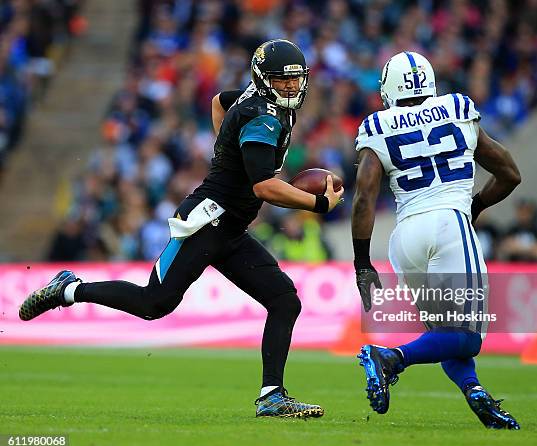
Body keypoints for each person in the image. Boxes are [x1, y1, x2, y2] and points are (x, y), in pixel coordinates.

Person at [20, 39, 344, 418]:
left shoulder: (255, 100)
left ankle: (272, 395)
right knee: (153, 303)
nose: (290, 87)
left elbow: (220, 101)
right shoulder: (264, 116)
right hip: (207, 221)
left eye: (294, 80)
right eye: (281, 80)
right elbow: (264, 187)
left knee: (284, 300)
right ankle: (69, 289)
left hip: (231, 228)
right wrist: (318, 204)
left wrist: (225, 147)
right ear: (263, 78)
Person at [351, 51, 521, 429]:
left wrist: (362, 263)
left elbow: (364, 196)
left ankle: (474, 390)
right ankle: (390, 357)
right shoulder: (458, 107)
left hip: (405, 236)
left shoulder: (377, 124)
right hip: (448, 224)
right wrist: (473, 206)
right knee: (468, 338)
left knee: (446, 333)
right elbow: (510, 172)